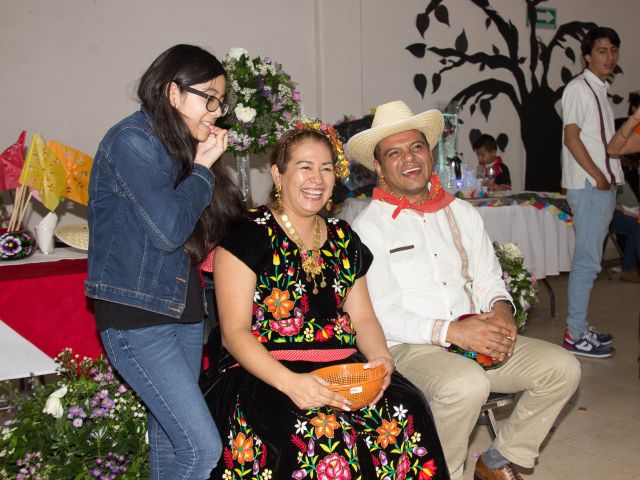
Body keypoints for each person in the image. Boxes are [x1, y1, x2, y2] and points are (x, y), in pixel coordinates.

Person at [348, 100, 581, 480]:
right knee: (465, 384)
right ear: (378, 167)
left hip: (473, 334)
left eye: (416, 147)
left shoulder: (461, 212)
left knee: (562, 368)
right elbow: (380, 314)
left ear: (430, 152)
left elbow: (489, 278)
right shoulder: (369, 228)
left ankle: (496, 460)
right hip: (410, 347)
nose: (409, 159)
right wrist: (452, 331)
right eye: (394, 152)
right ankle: (443, 473)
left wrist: (502, 310)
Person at [205, 119, 449, 479]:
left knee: (405, 405)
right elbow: (235, 333)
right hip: (267, 370)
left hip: (343, 367)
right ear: (278, 174)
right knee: (323, 430)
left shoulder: (343, 238)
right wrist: (292, 383)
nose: (317, 179)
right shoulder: (246, 235)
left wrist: (382, 361)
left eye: (326, 169)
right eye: (304, 167)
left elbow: (363, 317)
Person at [86, 44, 244, 479]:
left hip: (183, 311)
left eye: (221, 101)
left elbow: (199, 235)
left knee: (172, 449)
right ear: (174, 93)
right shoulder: (131, 141)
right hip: (137, 316)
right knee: (202, 447)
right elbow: (169, 230)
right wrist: (204, 168)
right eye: (209, 98)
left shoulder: (178, 146)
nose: (217, 110)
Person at [560, 26, 624, 358]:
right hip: (588, 185)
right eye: (601, 50)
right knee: (586, 262)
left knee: (591, 260)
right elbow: (572, 138)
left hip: (601, 184)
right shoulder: (579, 88)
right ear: (587, 55)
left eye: (613, 50)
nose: (609, 57)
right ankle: (574, 333)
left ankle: (581, 328)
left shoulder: (599, 89)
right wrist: (598, 176)